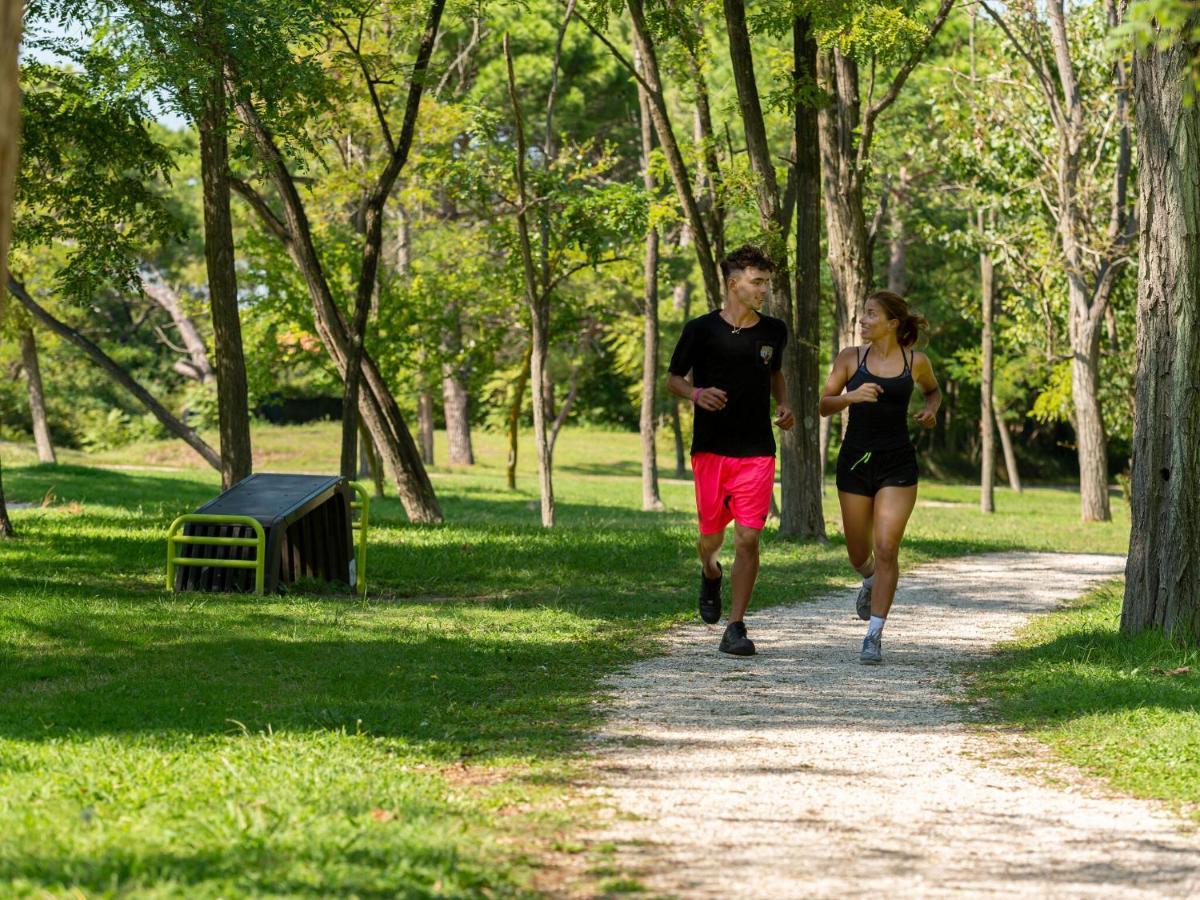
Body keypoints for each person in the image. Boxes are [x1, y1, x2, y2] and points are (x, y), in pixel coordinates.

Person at [666, 245, 794, 656]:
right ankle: (709, 572)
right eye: (757, 283)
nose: (763, 291)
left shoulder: (773, 331)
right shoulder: (700, 329)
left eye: (766, 283)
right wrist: (696, 393)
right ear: (733, 283)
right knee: (710, 537)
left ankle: (735, 626)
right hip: (710, 449)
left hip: (756, 449)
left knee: (749, 538)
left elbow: (776, 373)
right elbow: (673, 380)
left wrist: (785, 404)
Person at [818, 290, 941, 665]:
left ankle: (874, 634)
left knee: (887, 547)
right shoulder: (850, 358)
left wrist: (929, 410)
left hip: (898, 464)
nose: (863, 320)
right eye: (862, 314)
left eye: (871, 314)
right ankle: (868, 578)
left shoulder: (915, 362)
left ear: (892, 323)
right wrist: (851, 397)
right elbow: (824, 404)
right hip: (855, 461)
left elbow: (933, 392)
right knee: (860, 553)